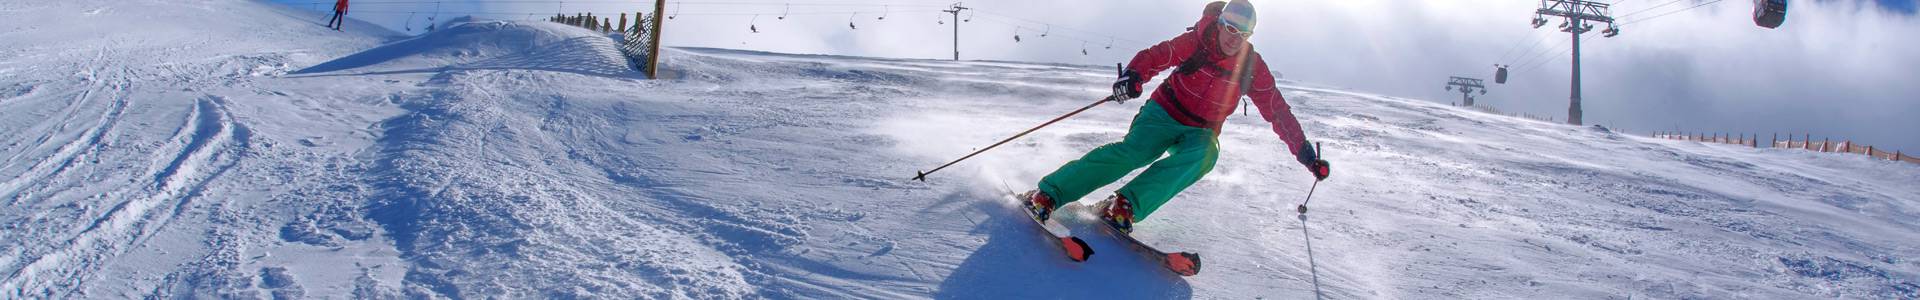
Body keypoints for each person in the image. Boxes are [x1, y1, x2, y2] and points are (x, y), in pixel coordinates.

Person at [1024, 0, 1330, 233]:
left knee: (1206, 155)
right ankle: (1049, 194)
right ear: (1220, 23)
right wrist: (1133, 75)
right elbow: (1158, 55)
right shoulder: (1198, 41)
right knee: (1135, 153)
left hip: (1201, 130)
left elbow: (1277, 111)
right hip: (1164, 112)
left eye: (1243, 33)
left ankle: (1124, 205)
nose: (1234, 38)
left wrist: (1305, 153)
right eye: (1230, 28)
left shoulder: (1252, 66)